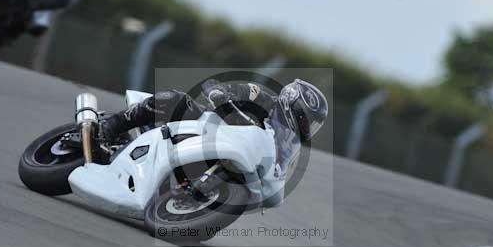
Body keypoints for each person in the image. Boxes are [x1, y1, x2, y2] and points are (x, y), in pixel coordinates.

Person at [100, 79, 329, 179]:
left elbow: (275, 172)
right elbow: (219, 87)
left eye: (313, 124)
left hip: (225, 156)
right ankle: (112, 126)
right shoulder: (259, 97)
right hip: (204, 127)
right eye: (306, 119)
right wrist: (221, 94)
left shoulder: (284, 144)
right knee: (176, 99)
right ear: (293, 105)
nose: (307, 126)